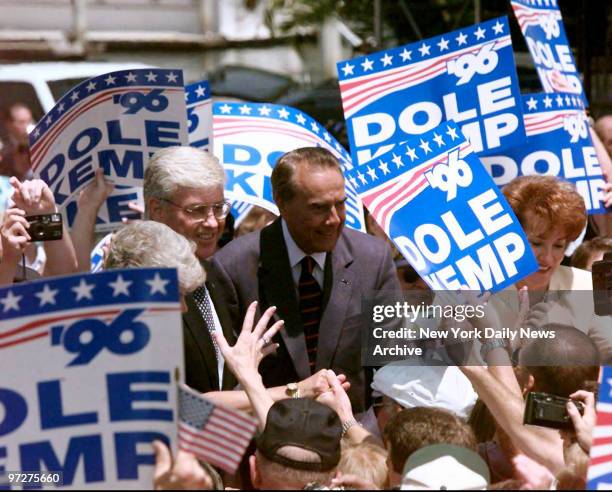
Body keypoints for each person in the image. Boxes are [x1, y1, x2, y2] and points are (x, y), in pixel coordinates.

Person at [212, 147, 401, 413]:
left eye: (341, 203)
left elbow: (394, 360)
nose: (334, 219)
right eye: (319, 208)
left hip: (354, 435)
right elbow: (226, 381)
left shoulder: (373, 259)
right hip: (273, 433)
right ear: (282, 203)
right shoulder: (234, 268)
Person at [143, 146, 238, 394]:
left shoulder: (212, 271)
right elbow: (178, 403)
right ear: (157, 209)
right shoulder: (142, 286)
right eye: (196, 210)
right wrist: (294, 391)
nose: (212, 222)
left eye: (218, 207)